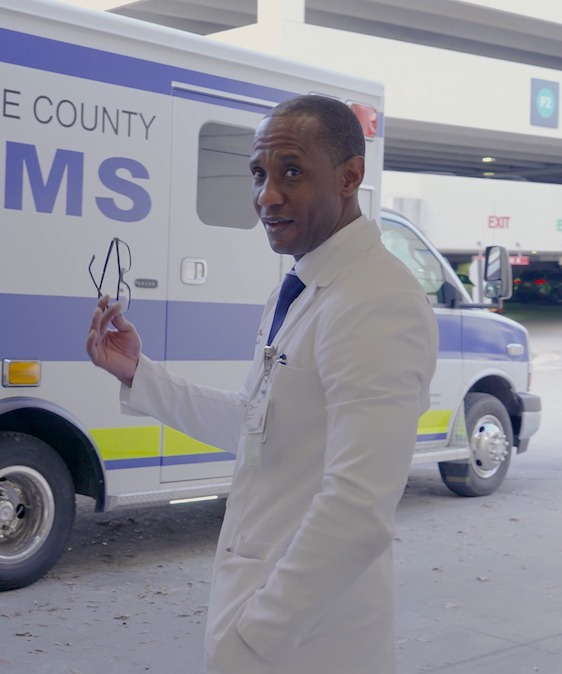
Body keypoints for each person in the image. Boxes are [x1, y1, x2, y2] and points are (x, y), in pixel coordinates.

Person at [86, 95, 438, 674]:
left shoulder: (378, 301)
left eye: (291, 172)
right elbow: (256, 423)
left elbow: (359, 507)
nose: (266, 196)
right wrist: (139, 375)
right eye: (259, 174)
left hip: (309, 640)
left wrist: (257, 636)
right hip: (265, 617)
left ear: (351, 177)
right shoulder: (300, 288)